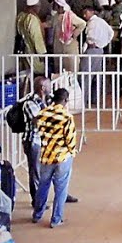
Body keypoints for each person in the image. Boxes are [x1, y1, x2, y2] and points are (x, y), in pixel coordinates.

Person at [32, 87, 78, 228]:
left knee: (43, 185)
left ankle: (37, 214)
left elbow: (37, 127)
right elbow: (70, 140)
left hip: (46, 155)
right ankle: (56, 219)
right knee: (61, 189)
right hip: (62, 157)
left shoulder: (43, 113)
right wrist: (72, 151)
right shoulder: (67, 117)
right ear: (65, 100)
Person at [19, 75, 51, 206]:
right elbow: (39, 121)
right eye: (49, 85)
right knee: (35, 172)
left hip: (42, 141)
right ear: (43, 88)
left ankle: (41, 198)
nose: (51, 87)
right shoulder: (30, 103)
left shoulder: (45, 101)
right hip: (33, 142)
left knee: (45, 170)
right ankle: (37, 201)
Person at [79, 5, 113, 104]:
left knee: (85, 75)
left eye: (86, 13)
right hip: (100, 50)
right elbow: (110, 33)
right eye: (83, 13)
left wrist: (93, 43)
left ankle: (83, 100)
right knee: (97, 76)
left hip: (91, 50)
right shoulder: (102, 22)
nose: (84, 15)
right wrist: (104, 43)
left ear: (92, 12)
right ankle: (94, 98)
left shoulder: (92, 23)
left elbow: (89, 37)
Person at [51, 0, 86, 74]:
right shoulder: (56, 16)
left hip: (70, 47)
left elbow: (82, 24)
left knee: (71, 70)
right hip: (59, 47)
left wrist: (74, 34)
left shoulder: (70, 16)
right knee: (59, 70)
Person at [16, 0, 47, 76]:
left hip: (25, 50)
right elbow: (36, 38)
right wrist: (42, 54)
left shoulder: (21, 16)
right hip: (33, 52)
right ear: (34, 7)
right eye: (39, 6)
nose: (39, 9)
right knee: (37, 73)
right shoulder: (32, 19)